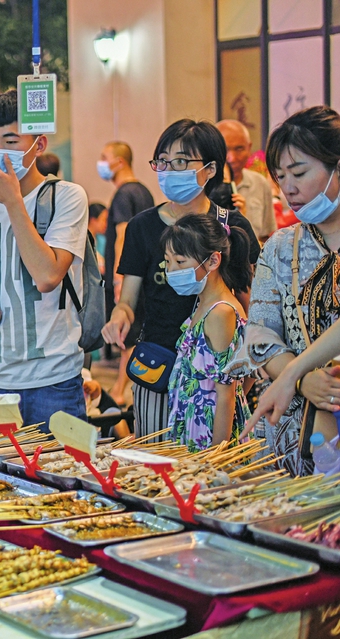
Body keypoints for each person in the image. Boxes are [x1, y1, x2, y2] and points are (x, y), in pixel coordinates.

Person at [102, 120, 260, 440]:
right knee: (155, 461)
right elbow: (128, 301)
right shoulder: (142, 226)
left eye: (181, 162)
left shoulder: (231, 227)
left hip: (214, 375)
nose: (169, 170)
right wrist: (119, 317)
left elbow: (251, 305)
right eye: (162, 161)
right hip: (157, 363)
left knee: (206, 461)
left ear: (210, 169)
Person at [0, 89, 90, 428]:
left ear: (39, 146)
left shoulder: (66, 197)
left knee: (61, 478)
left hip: (53, 379)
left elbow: (47, 277)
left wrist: (13, 202)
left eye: (11, 141)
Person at [244, 106, 340, 476]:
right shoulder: (282, 246)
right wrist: (301, 381)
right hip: (289, 428)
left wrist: (294, 375)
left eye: (299, 172)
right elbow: (260, 334)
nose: (289, 188)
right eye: (280, 176)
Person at [162, 215, 252, 451]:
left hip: (210, 437)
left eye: (180, 262)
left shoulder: (221, 312)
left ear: (213, 261)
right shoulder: (203, 303)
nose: (171, 270)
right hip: (193, 425)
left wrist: (216, 458)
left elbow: (227, 394)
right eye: (168, 262)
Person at [97, 141, 155, 406]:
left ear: (120, 162)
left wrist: (120, 278)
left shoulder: (123, 193)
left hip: (129, 276)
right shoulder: (143, 191)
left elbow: (122, 235)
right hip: (145, 274)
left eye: (104, 157)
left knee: (126, 334)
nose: (101, 162)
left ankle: (122, 389)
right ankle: (124, 388)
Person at [217, 119, 277, 241]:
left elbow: (266, 237)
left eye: (239, 149)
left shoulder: (260, 183)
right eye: (225, 150)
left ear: (249, 147)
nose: (232, 158)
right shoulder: (202, 186)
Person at [87, 203, 108, 274]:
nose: (106, 224)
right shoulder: (81, 240)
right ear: (93, 220)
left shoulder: (102, 240)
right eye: (104, 220)